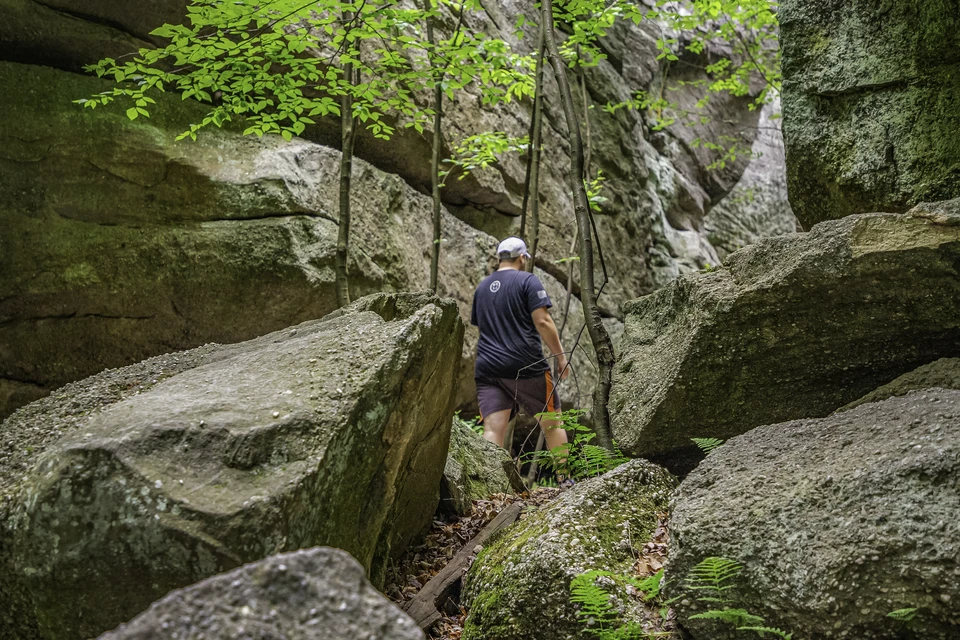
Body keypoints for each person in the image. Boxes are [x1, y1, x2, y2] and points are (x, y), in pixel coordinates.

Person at [470, 236, 571, 473]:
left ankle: (489, 483)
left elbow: (482, 326)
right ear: (522, 258)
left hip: (488, 367)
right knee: (552, 423)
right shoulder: (527, 281)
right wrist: (561, 357)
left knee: (493, 429)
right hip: (526, 365)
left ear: (499, 258)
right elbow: (543, 321)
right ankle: (565, 479)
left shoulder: (482, 288)